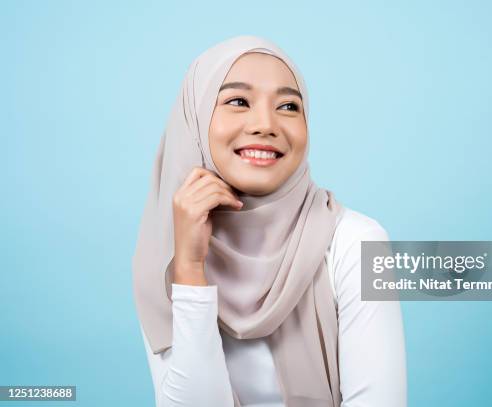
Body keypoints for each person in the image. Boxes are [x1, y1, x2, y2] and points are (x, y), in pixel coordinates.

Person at [132, 35, 407, 407]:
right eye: (237, 101)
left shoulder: (358, 242)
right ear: (194, 119)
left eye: (289, 106)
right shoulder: (165, 255)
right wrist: (189, 268)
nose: (265, 124)